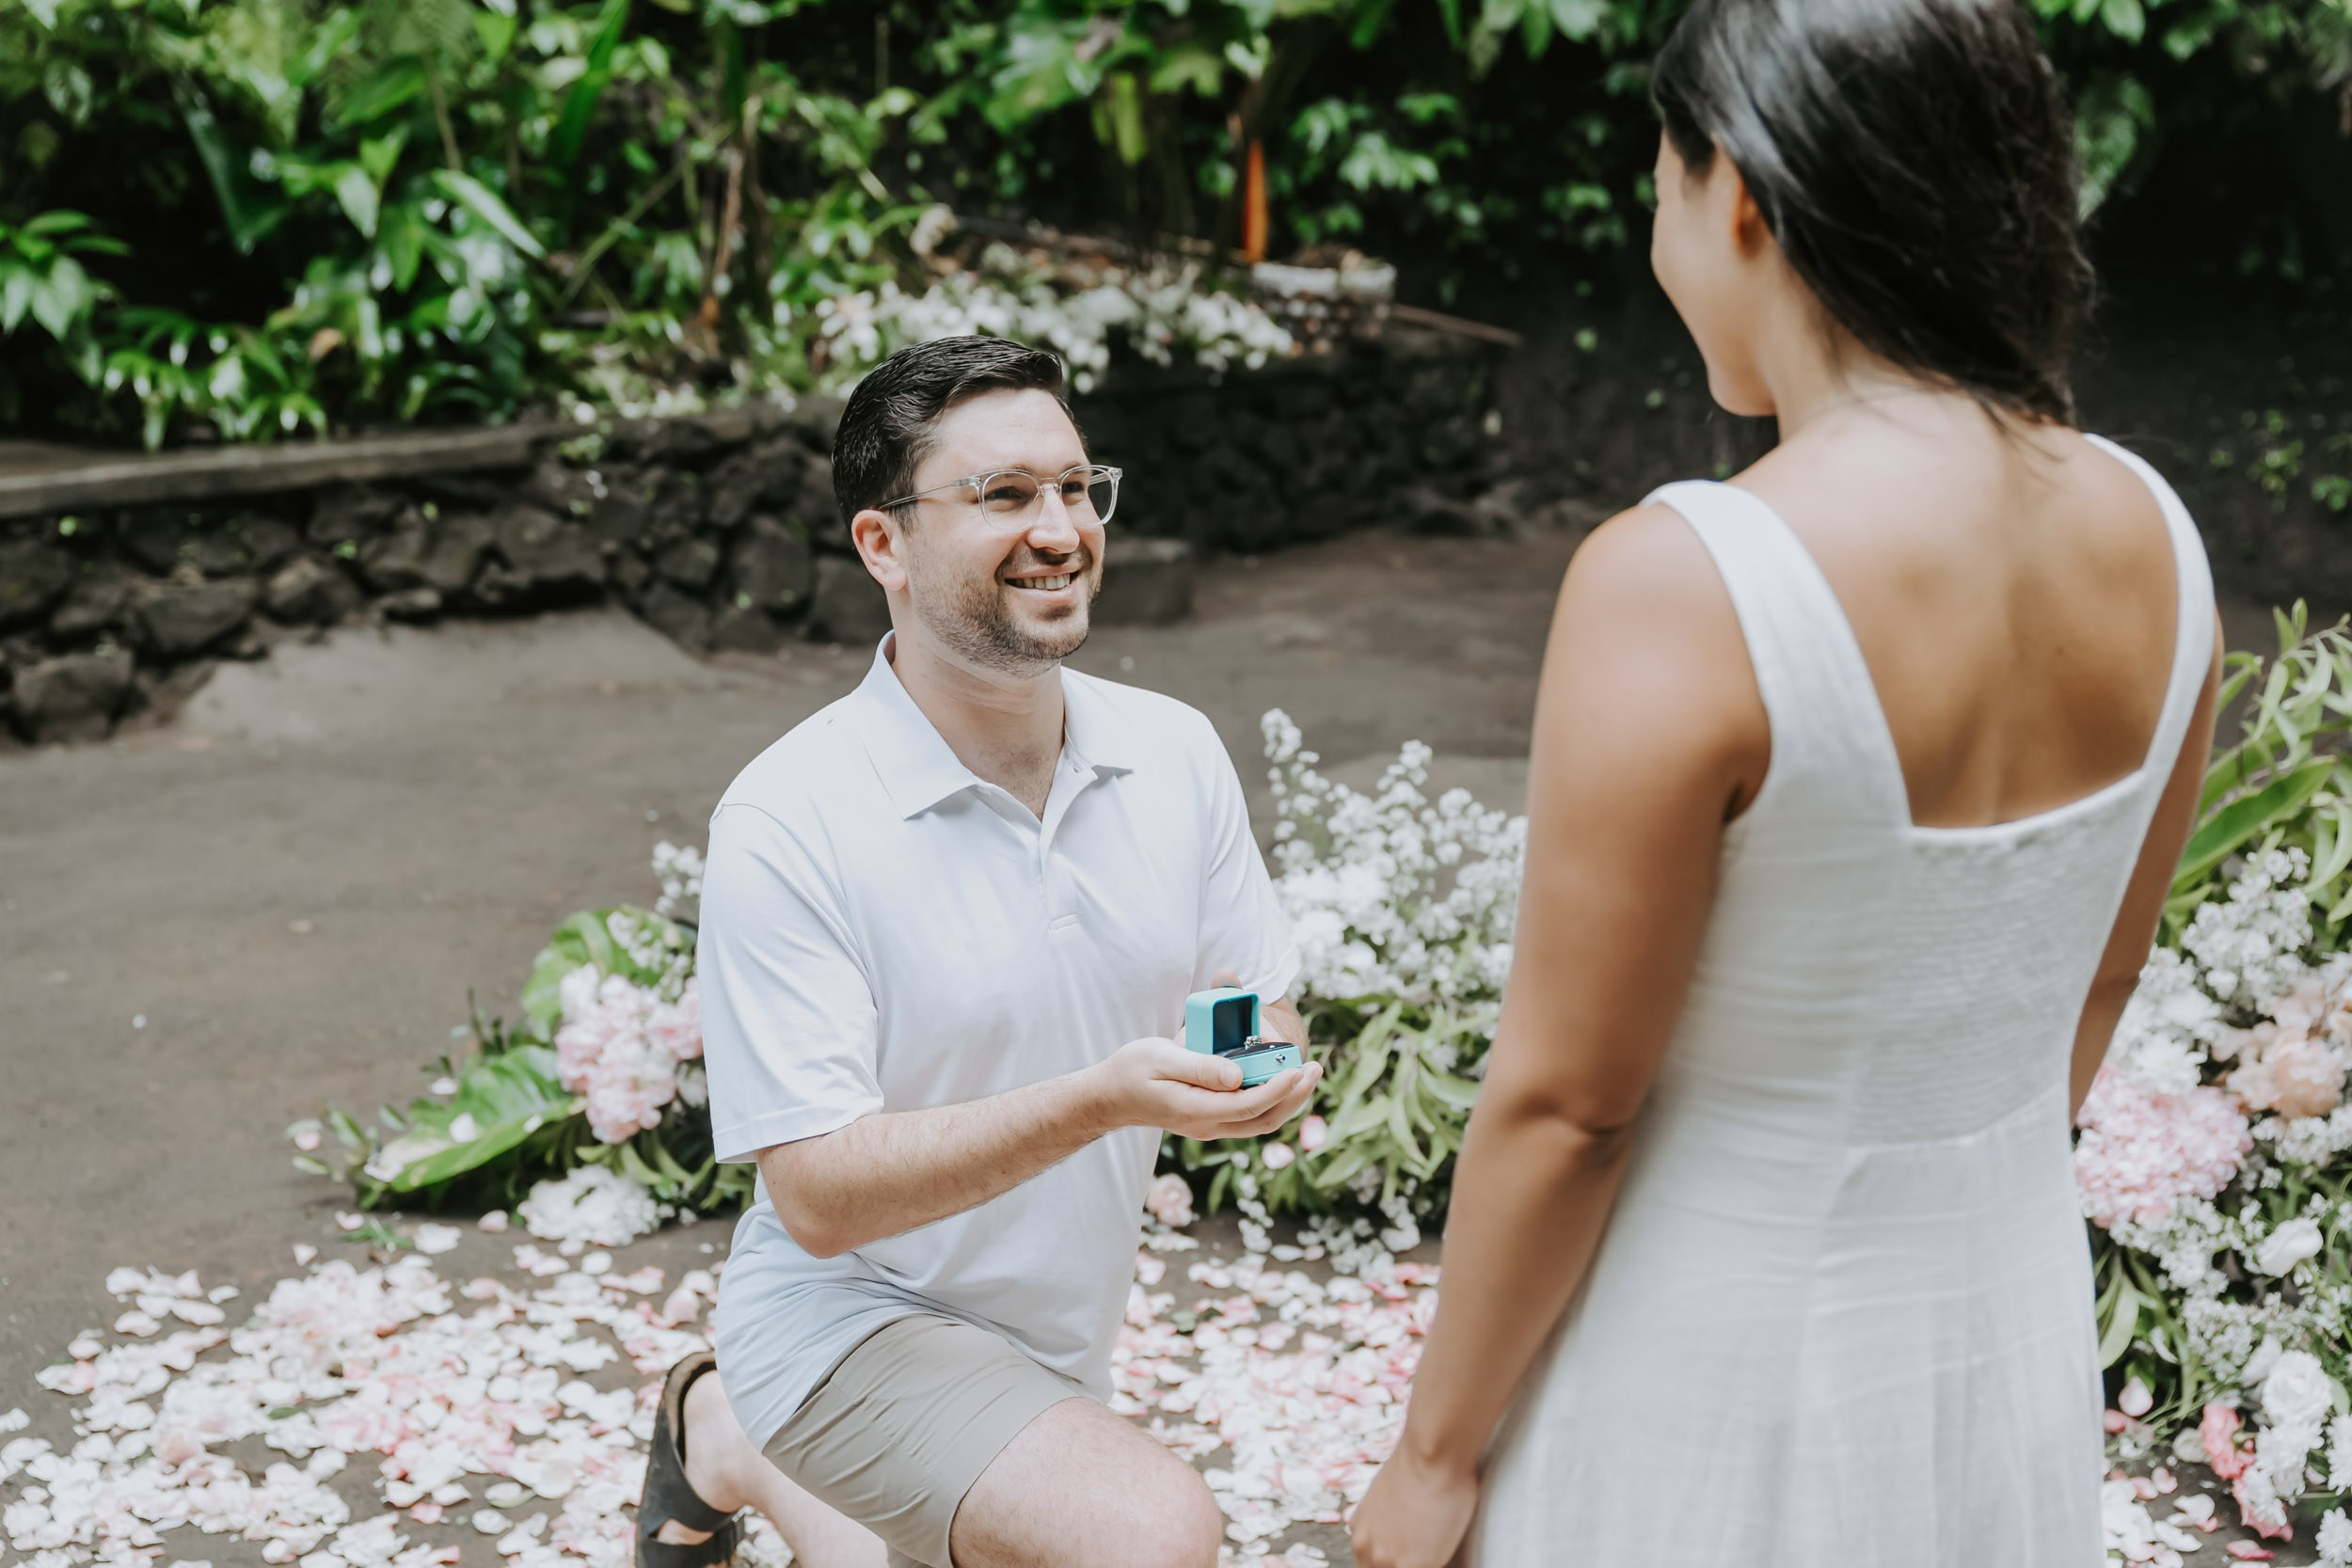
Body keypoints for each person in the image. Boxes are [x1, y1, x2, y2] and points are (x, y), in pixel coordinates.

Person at [1348, 2, 2223, 1565]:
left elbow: (1569, 1107)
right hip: (2000, 1354)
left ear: (1739, 193)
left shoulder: (1685, 581)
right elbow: (2099, 978)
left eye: (1662, 187)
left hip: (1706, 1375)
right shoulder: (2159, 537)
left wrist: (1431, 1458)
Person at [634, 335, 1322, 1568]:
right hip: (845, 1325)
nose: (1061, 529)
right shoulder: (789, 817)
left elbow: (1260, 1003)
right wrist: (1102, 1099)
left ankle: (719, 1433)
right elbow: (819, 1197)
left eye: (1076, 487)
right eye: (1004, 495)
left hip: (1048, 1348)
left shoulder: (1175, 752)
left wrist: (1262, 1065)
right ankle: (759, 1409)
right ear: (882, 545)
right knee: (1148, 1535)